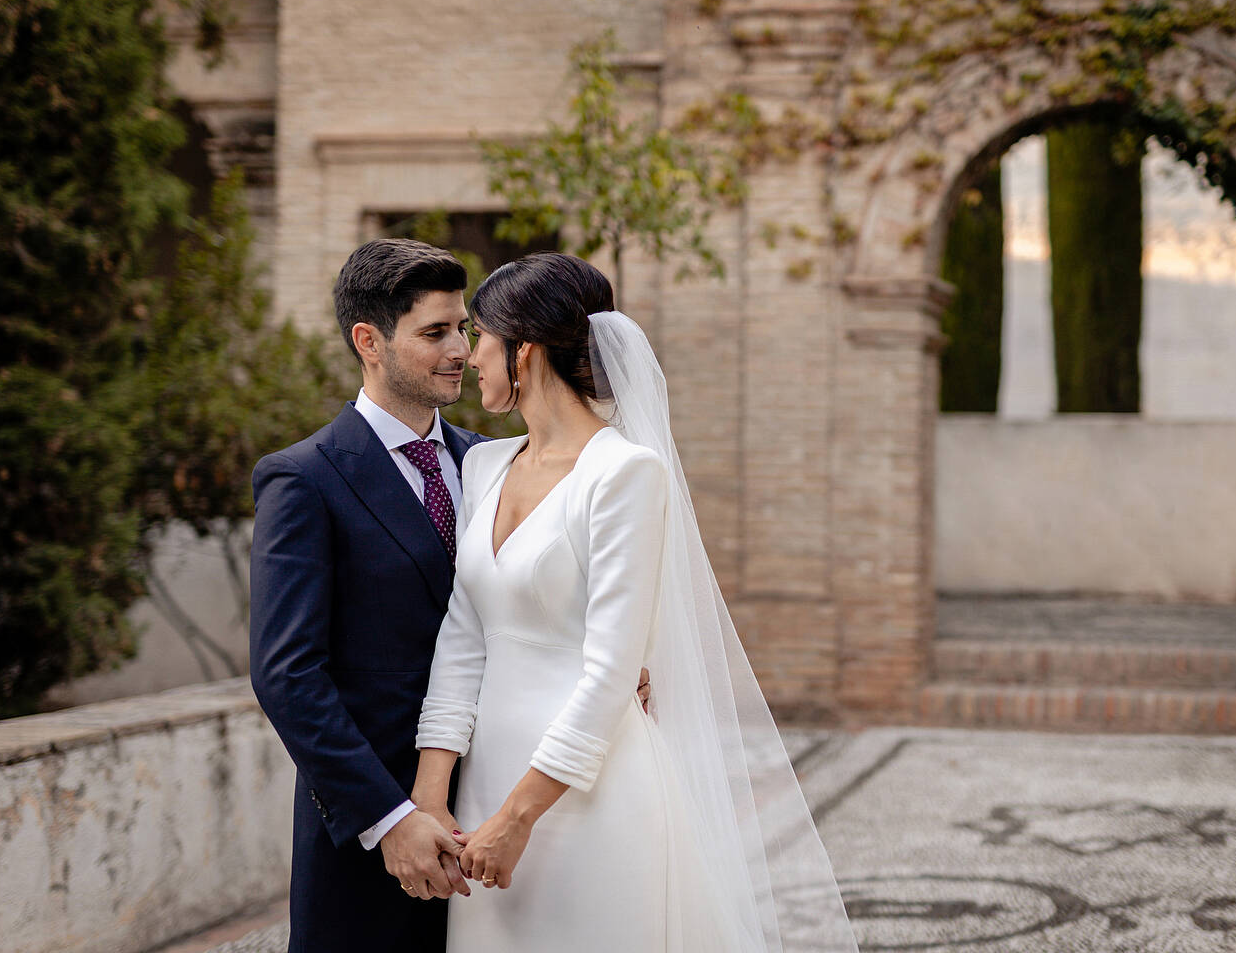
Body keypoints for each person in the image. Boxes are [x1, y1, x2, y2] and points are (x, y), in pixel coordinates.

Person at [412, 252, 858, 951]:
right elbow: (463, 638)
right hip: (482, 783)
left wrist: (518, 819)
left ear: (523, 351)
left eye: (481, 337)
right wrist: (432, 794)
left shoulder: (623, 474)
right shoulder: (483, 465)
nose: (470, 358)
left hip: (584, 791)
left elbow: (614, 668)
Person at [249, 239, 653, 951]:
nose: (462, 349)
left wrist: (603, 666)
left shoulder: (491, 461)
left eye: (465, 328)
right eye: (435, 333)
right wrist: (393, 816)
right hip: (375, 827)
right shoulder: (303, 477)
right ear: (369, 342)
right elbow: (287, 675)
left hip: (514, 808)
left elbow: (537, 607)